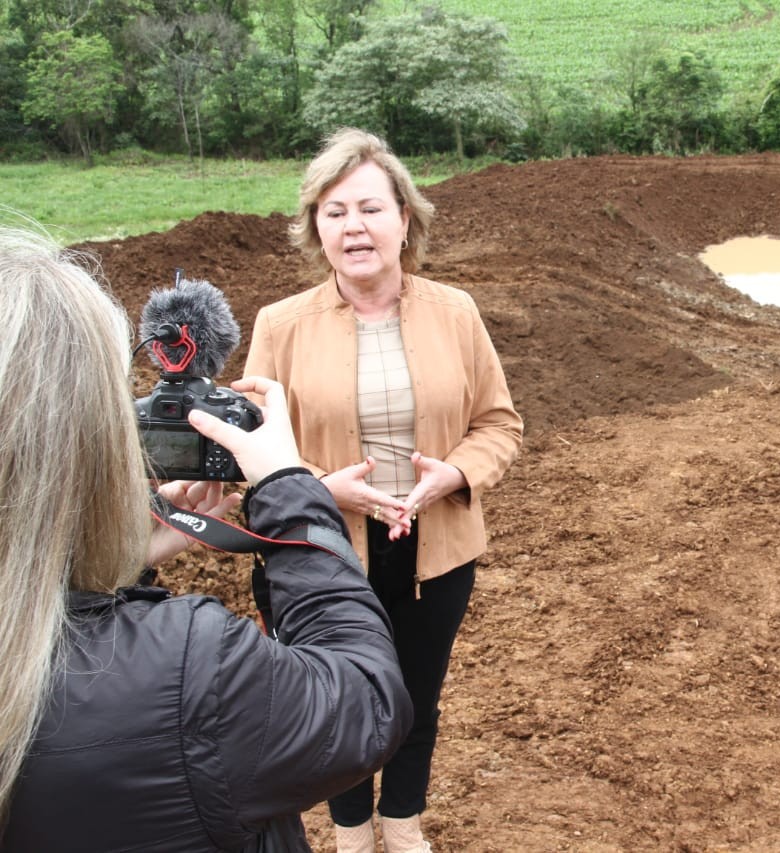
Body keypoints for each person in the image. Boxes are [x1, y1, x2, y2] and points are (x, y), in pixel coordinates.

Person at [0, 224, 413, 851]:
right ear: (89, 438)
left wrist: (108, 564)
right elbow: (363, 703)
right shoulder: (189, 667)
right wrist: (287, 487)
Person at [243, 128, 523, 853]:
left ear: (405, 217)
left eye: (369, 208)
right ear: (316, 229)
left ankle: (402, 822)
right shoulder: (279, 326)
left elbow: (499, 423)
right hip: (322, 555)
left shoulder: (456, 312)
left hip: (435, 553)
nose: (354, 227)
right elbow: (251, 453)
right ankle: (350, 833)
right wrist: (316, 487)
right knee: (337, 700)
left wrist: (454, 473)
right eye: (334, 213)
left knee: (416, 698)